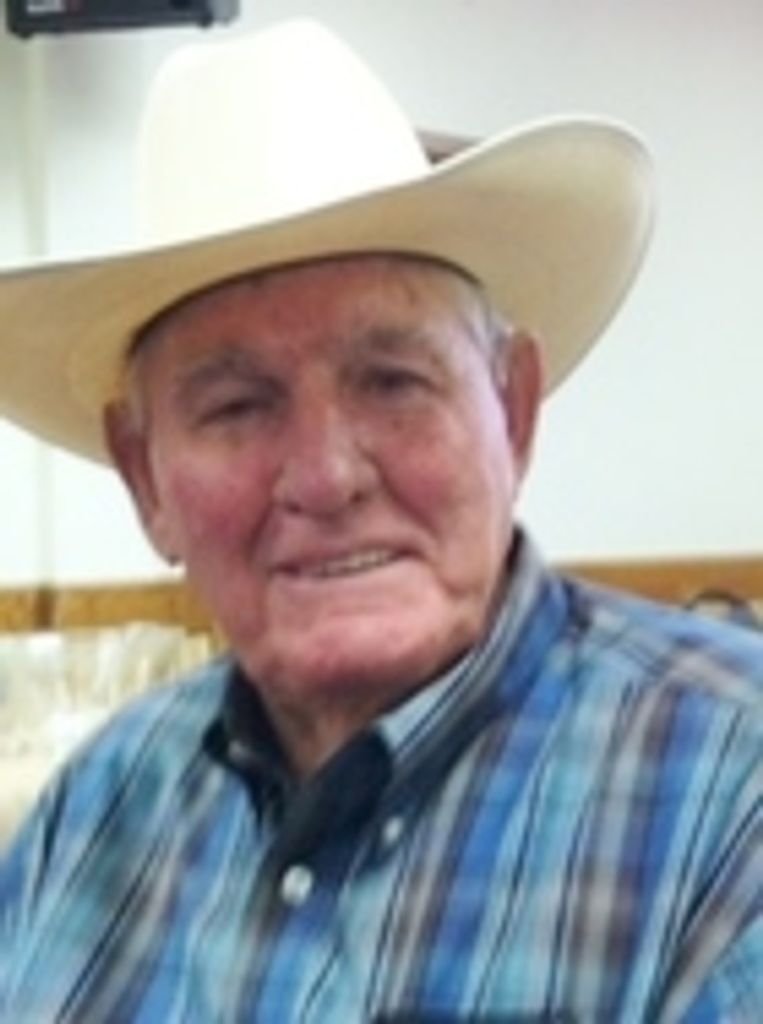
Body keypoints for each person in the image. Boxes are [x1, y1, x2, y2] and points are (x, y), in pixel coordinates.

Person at [0, 19, 760, 1024]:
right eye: (236, 405)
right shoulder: (90, 810)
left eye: (393, 381)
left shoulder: (733, 789)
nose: (325, 476)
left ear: (512, 413)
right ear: (146, 479)